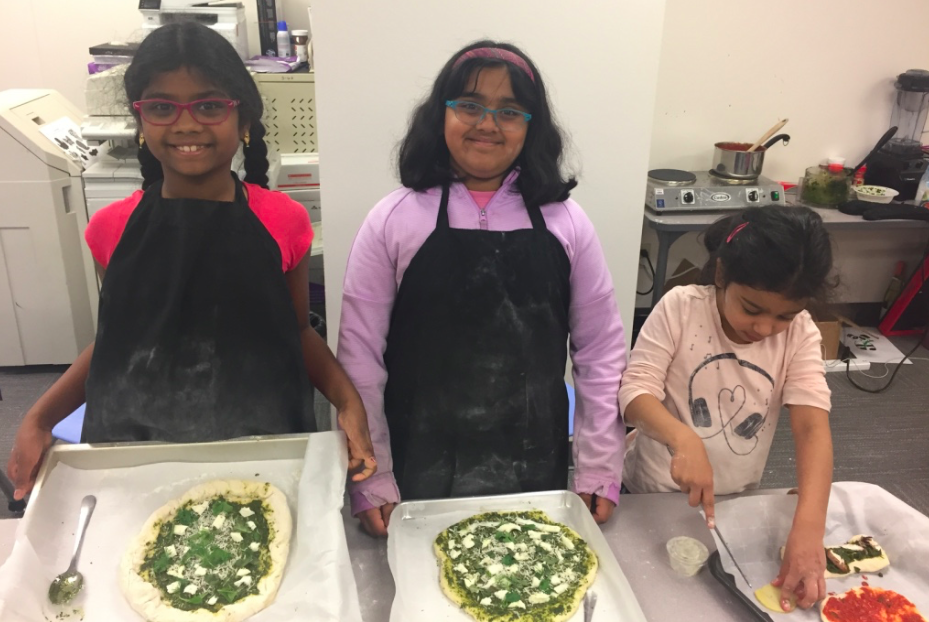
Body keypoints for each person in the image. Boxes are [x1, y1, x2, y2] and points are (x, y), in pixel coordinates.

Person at [7, 21, 375, 500]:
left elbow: (298, 330)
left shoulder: (283, 220)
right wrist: (39, 418)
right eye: (161, 107)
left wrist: (348, 403)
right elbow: (119, 342)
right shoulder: (110, 229)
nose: (186, 123)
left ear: (243, 121)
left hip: (262, 447)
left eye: (209, 105)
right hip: (137, 453)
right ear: (140, 123)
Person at [338, 41, 627, 537]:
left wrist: (599, 466)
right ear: (441, 114)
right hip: (417, 464)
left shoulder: (568, 223)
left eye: (509, 111)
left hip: (534, 459)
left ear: (532, 126)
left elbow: (600, 352)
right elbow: (359, 361)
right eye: (469, 105)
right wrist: (373, 474)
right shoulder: (393, 219)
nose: (487, 124)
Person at [620, 205, 835, 611]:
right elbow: (634, 395)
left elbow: (811, 429)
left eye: (783, 316)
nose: (765, 328)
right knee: (651, 598)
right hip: (649, 493)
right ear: (721, 275)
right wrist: (682, 437)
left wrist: (808, 529)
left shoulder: (801, 332)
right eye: (752, 309)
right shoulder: (681, 308)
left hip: (733, 501)